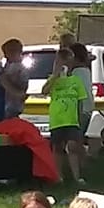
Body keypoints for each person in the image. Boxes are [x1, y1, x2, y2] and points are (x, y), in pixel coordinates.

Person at [45, 43, 92, 183]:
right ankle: (58, 175)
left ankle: (77, 176)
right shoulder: (54, 80)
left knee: (72, 146)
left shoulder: (76, 80)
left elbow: (80, 100)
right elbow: (45, 91)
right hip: (57, 119)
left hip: (72, 119)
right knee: (57, 148)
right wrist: (55, 75)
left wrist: (78, 117)